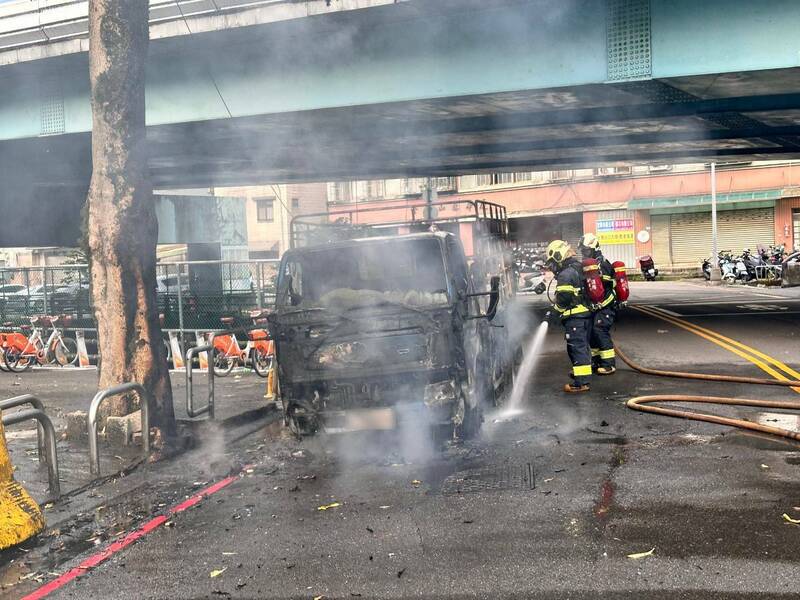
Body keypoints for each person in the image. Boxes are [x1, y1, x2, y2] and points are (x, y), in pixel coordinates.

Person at [545, 240, 593, 393]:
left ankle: (581, 382)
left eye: (552, 263)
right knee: (581, 347)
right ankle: (581, 375)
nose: (552, 268)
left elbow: (564, 299)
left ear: (558, 256)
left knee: (576, 348)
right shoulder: (578, 267)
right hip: (584, 316)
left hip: (575, 318)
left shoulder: (565, 274)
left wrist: (553, 313)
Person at [578, 233, 616, 375]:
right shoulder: (589, 266)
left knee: (600, 330)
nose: (584, 253)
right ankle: (596, 361)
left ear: (594, 249)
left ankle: (609, 364)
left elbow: (610, 290)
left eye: (586, 250)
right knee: (591, 333)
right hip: (594, 307)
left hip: (605, 306)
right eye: (583, 251)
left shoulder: (603, 265)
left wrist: (601, 304)